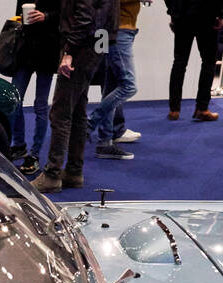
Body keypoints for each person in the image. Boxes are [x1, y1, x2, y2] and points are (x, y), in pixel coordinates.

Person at [32, 0, 118, 193]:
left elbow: (85, 15)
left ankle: (52, 175)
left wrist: (69, 51)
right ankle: (73, 171)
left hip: (82, 45)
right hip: (95, 41)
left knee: (61, 112)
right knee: (78, 109)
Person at [9, 0, 59, 175]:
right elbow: (18, 16)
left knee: (40, 105)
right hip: (25, 50)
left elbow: (65, 16)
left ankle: (35, 154)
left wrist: (46, 16)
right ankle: (19, 144)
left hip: (48, 50)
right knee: (14, 99)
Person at [91, 0, 142, 159]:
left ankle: (104, 142)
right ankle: (89, 124)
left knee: (110, 86)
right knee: (128, 86)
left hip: (117, 31)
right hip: (118, 31)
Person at [166, 0, 223, 121]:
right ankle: (202, 108)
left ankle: (174, 110)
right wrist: (220, 14)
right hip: (207, 15)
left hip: (182, 15)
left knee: (179, 62)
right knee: (208, 63)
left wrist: (173, 12)